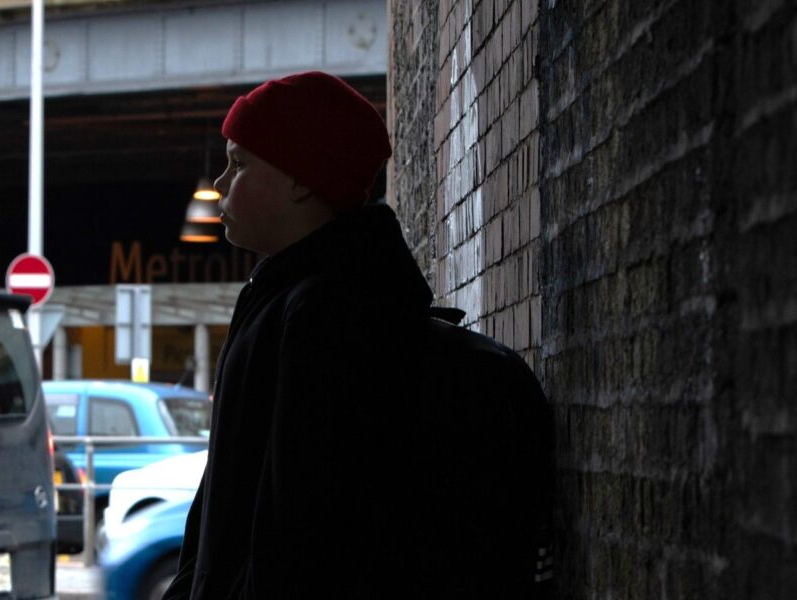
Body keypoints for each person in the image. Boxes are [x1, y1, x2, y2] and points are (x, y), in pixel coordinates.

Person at [164, 72, 554, 598]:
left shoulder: (328, 315)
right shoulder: (291, 295)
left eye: (240, 162)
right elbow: (220, 507)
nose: (219, 183)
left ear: (301, 179)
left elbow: (299, 536)